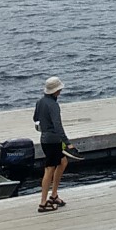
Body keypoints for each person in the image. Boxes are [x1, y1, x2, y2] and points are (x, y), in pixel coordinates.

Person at [35, 77, 72, 211]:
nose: (60, 91)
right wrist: (68, 143)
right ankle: (43, 203)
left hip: (45, 139)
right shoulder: (53, 105)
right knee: (49, 169)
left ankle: (54, 195)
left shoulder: (40, 102)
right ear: (55, 91)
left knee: (63, 162)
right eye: (59, 89)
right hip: (53, 141)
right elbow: (58, 126)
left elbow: (35, 118)